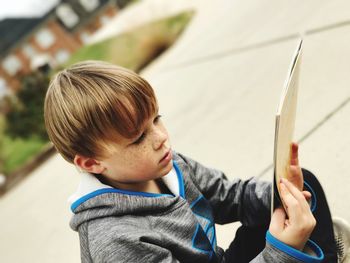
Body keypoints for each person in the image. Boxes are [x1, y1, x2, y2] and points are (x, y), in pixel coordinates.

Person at [44, 60, 339, 263]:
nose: (160, 137)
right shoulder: (116, 241)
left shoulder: (167, 164)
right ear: (92, 163)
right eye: (137, 138)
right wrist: (282, 250)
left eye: (156, 119)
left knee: (299, 184)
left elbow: (231, 195)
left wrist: (281, 195)